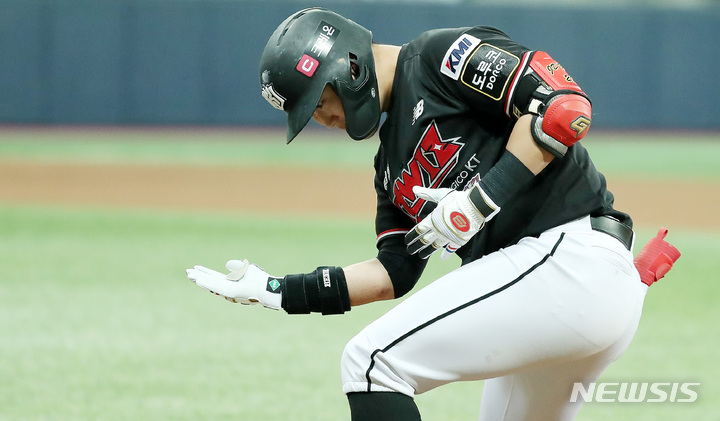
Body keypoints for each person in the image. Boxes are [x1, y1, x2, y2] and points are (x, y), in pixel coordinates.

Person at [186, 7, 678, 420]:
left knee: (371, 364)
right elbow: (392, 273)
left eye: (317, 102)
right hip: (558, 291)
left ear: (347, 66)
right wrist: (276, 291)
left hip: (570, 262)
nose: (322, 119)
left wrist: (480, 202)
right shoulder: (389, 164)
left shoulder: (440, 56)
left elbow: (566, 109)